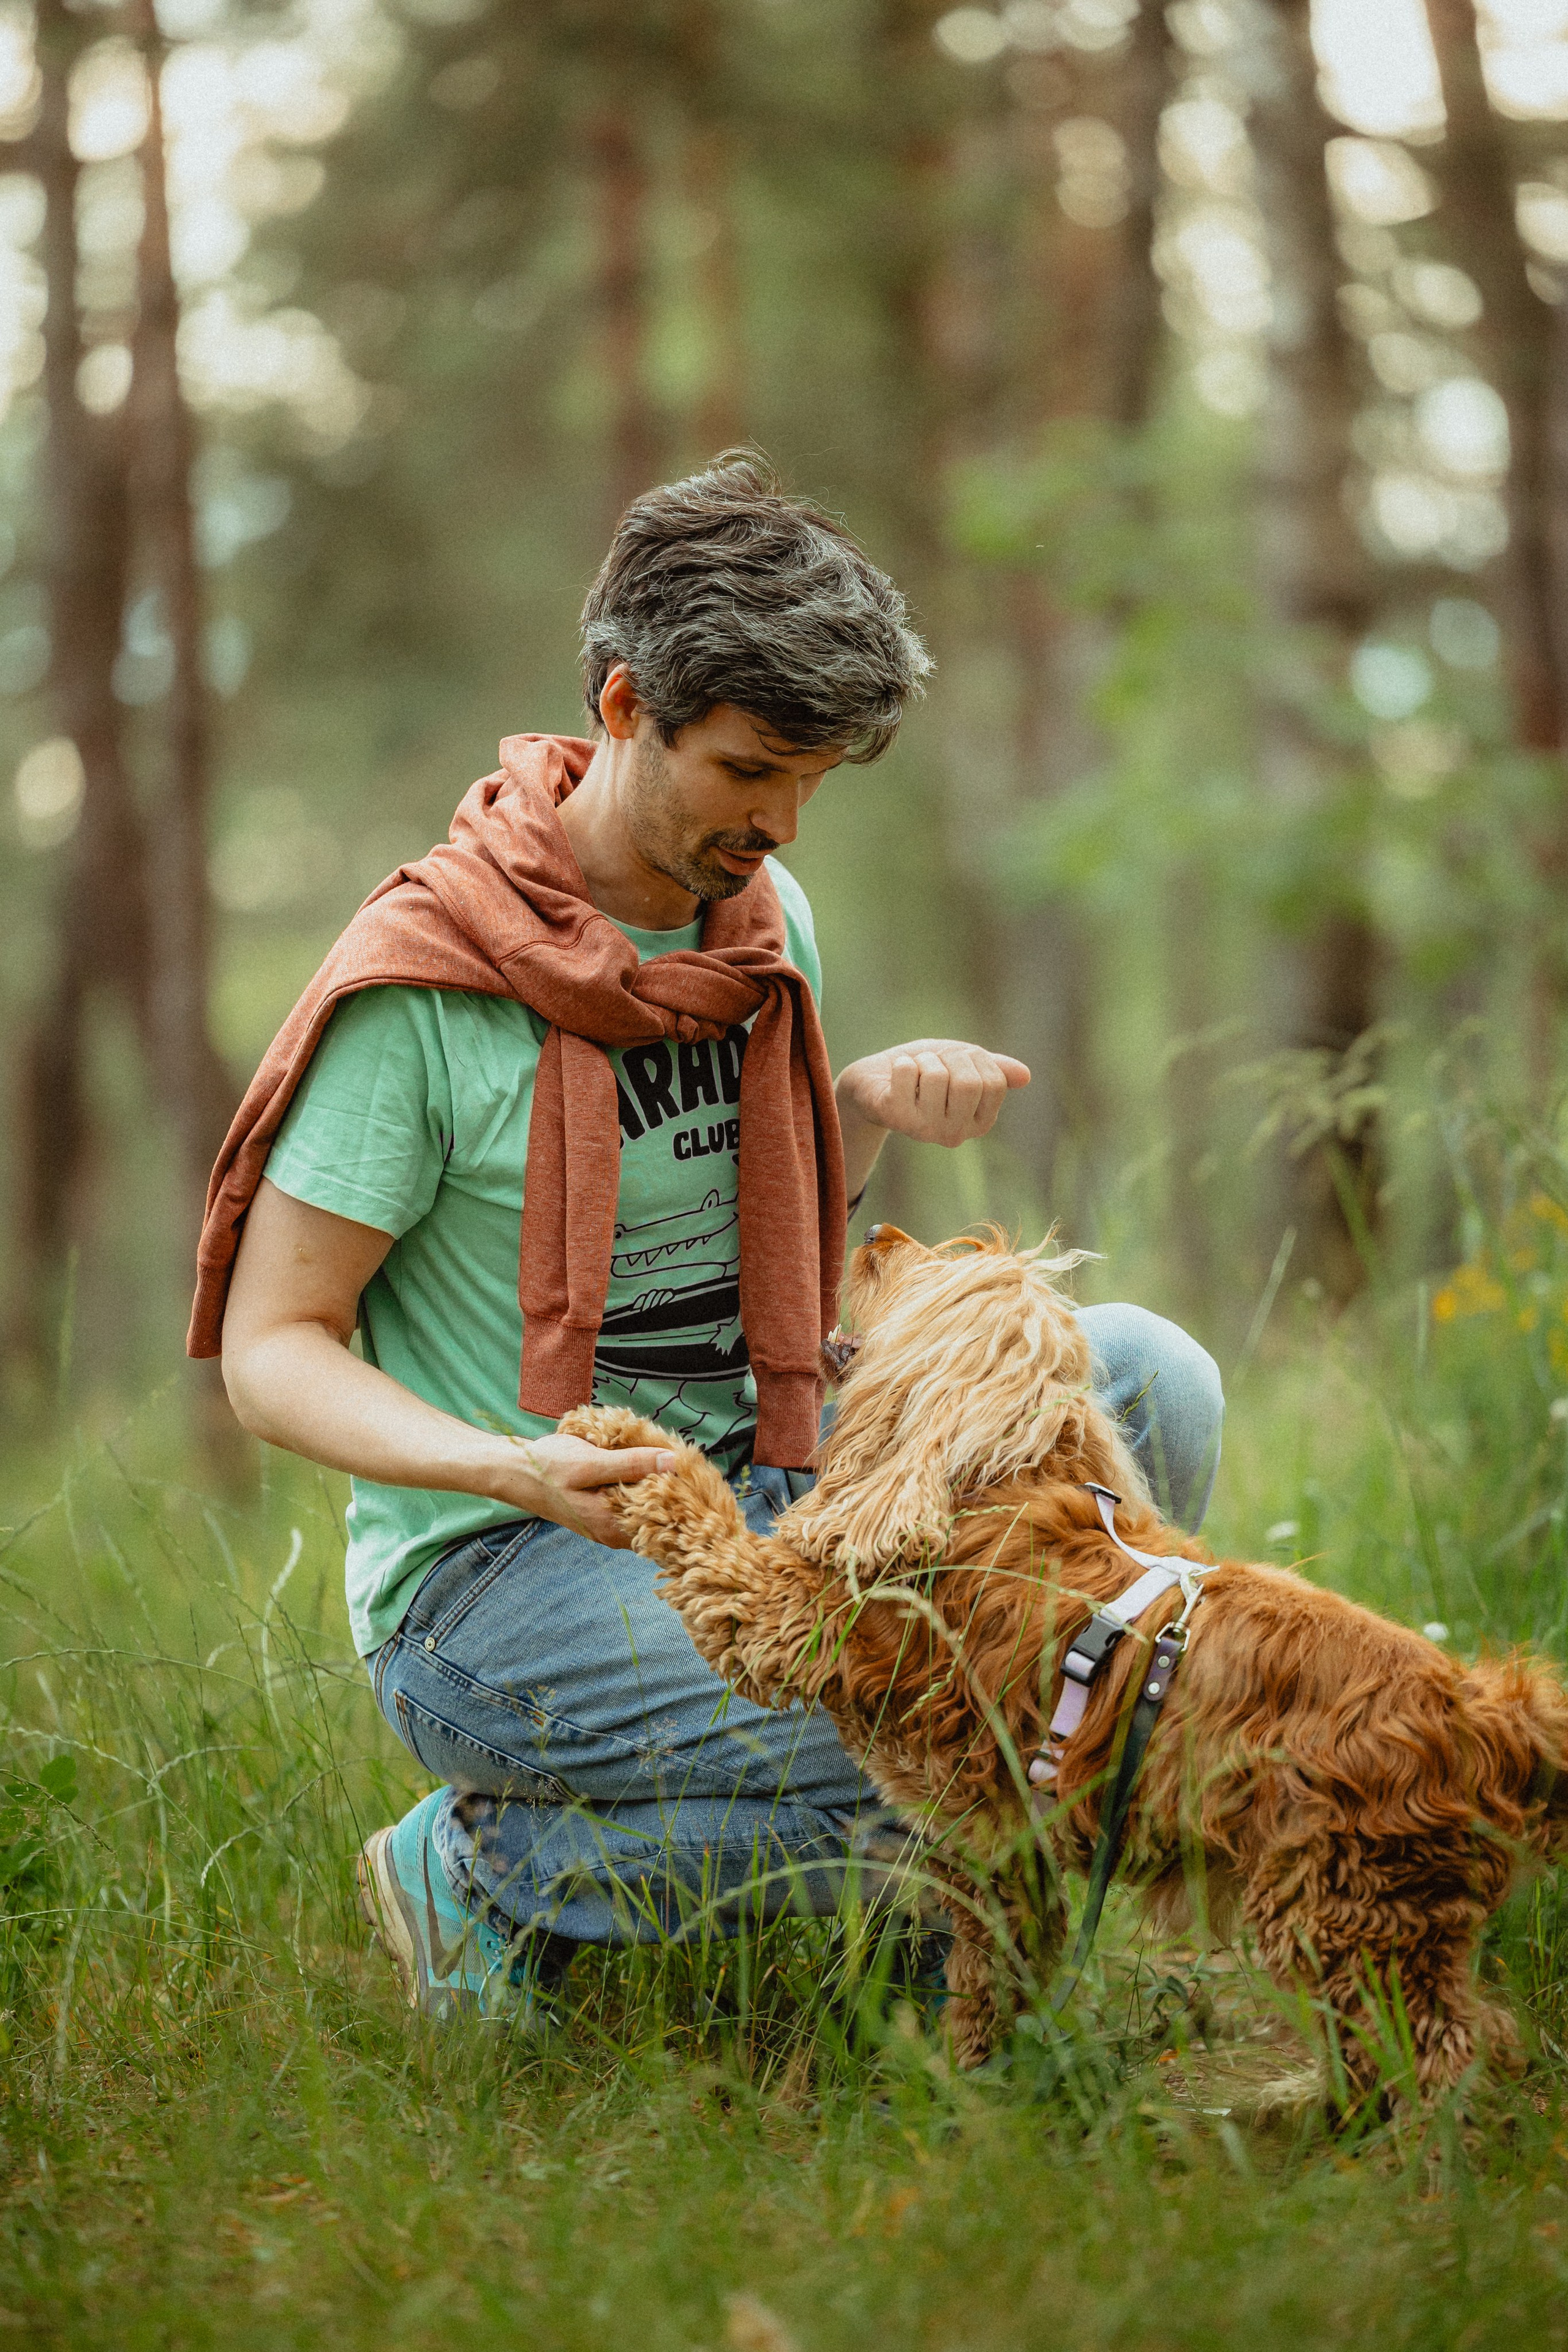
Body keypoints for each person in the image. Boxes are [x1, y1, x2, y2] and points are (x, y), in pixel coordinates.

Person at [199, 452, 1223, 2020]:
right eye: (753, 770)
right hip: (508, 1568)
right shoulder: (416, 997)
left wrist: (860, 1106)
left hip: (765, 1474)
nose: (787, 822)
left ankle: (961, 1892)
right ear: (623, 709)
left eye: (815, 779)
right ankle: (485, 1877)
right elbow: (273, 1351)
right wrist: (503, 1465)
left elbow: (761, 1238)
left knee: (1150, 1383)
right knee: (977, 1721)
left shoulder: (751, 915)